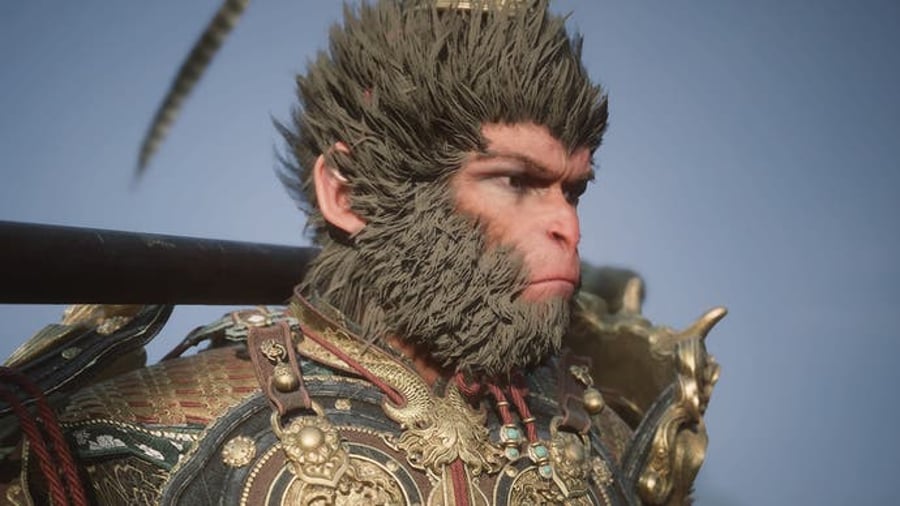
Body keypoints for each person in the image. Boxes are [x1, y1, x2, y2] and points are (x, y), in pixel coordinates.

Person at [0, 1, 723, 504]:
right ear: (346, 193)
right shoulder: (149, 433)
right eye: (513, 180)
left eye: (573, 189)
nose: (567, 224)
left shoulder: (601, 431)